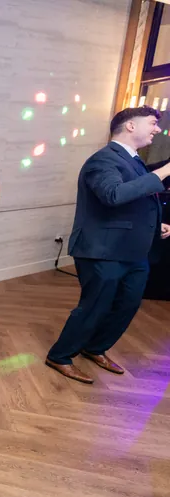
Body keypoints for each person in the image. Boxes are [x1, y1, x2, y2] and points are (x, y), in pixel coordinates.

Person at [45, 106, 170, 384]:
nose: (157, 129)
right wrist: (163, 172)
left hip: (133, 251)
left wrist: (155, 224)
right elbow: (113, 195)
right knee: (95, 306)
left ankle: (94, 348)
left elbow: (135, 201)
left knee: (127, 305)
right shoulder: (101, 160)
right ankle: (60, 355)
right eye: (152, 123)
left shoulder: (134, 160)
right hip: (102, 250)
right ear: (130, 126)